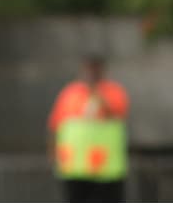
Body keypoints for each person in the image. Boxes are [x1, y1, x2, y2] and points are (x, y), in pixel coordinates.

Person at [48, 54, 130, 203]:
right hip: (75, 170)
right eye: (88, 69)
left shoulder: (113, 92)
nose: (91, 74)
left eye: (94, 69)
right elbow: (55, 125)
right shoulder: (69, 93)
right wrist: (53, 154)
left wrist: (96, 92)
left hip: (107, 171)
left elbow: (115, 114)